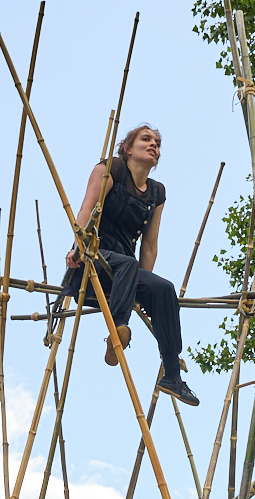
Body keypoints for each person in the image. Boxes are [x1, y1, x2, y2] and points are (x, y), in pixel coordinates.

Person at [62, 124, 198, 406]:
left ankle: (172, 375)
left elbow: (149, 244)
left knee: (164, 288)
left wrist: (145, 290)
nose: (154, 146)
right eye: (146, 139)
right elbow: (87, 208)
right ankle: (118, 330)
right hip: (94, 262)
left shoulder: (157, 193)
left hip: (125, 273)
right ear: (127, 147)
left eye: (158, 143)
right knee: (127, 264)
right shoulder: (112, 169)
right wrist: (78, 246)